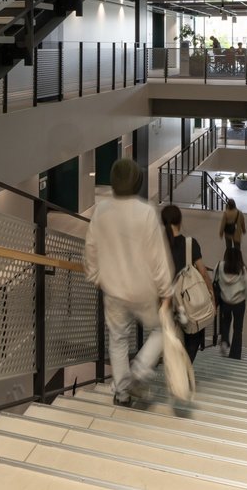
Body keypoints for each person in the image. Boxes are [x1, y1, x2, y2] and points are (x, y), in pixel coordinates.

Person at [84, 159, 173, 406]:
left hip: (113, 288)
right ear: (137, 181)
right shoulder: (146, 212)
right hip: (143, 290)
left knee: (118, 339)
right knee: (161, 329)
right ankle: (140, 371)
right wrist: (166, 292)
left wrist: (96, 277)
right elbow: (158, 258)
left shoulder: (101, 210)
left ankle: (122, 393)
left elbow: (90, 248)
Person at [161, 204, 216, 363]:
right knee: (194, 335)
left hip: (168, 303)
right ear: (180, 221)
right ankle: (184, 370)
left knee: (173, 337)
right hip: (187, 303)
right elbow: (204, 273)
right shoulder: (190, 244)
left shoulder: (160, 246)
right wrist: (212, 296)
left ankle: (175, 369)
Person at [214, 245, 247, 359]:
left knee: (225, 322)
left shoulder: (219, 266)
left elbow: (214, 280)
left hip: (225, 302)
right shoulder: (243, 270)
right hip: (239, 303)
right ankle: (235, 355)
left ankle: (224, 341)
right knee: (238, 329)